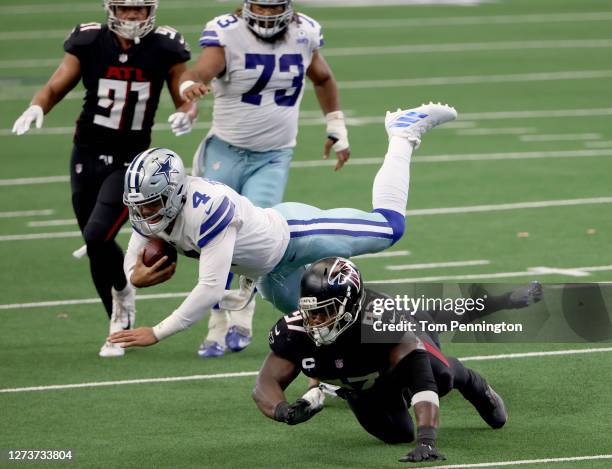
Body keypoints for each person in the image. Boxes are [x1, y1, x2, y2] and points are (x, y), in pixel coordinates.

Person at [108, 102, 457, 353]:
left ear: (174, 193)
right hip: (268, 275)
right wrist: (134, 277)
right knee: (324, 322)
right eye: (139, 205)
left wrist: (157, 331)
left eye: (151, 204)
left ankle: (403, 132)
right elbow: (134, 253)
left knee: (389, 228)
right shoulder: (150, 211)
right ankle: (357, 367)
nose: (145, 214)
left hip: (296, 234)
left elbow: (211, 289)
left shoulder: (206, 208)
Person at [11, 0, 195, 358]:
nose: (132, 16)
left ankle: (121, 310)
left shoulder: (165, 46)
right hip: (86, 152)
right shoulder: (89, 41)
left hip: (130, 159)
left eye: (140, 9)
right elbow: (54, 86)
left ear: (150, 11)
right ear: (111, 9)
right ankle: (120, 302)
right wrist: (37, 105)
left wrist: (188, 111)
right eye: (125, 9)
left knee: (98, 234)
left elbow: (184, 92)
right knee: (95, 243)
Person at [179, 0, 351, 357]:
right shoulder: (228, 31)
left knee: (255, 234)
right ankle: (215, 325)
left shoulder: (304, 32)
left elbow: (322, 77)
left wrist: (336, 125)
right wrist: (189, 90)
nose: (269, 15)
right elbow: (200, 71)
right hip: (225, 151)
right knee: (213, 233)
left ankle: (241, 313)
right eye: (261, 7)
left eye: (275, 8)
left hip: (273, 156)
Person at [252, 257, 531, 463]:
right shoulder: (295, 333)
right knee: (397, 434)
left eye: (326, 311)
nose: (315, 321)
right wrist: (283, 411)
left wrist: (427, 439)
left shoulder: (379, 320)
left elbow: (421, 378)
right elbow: (265, 383)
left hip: (400, 359)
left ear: (351, 305)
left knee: (441, 375)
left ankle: (470, 379)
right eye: (311, 311)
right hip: (363, 385)